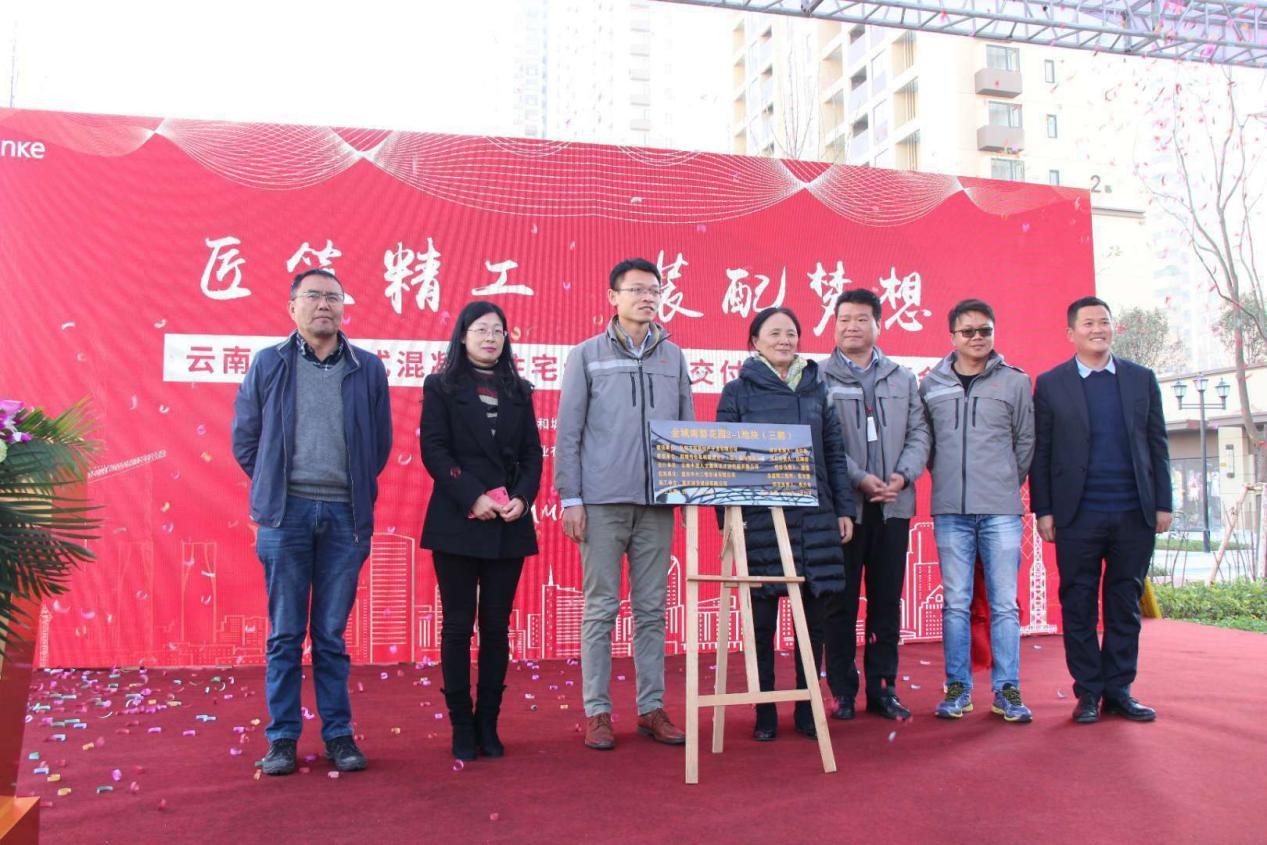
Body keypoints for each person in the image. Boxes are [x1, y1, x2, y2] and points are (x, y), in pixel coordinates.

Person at [231, 268, 392, 775]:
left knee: (330, 634)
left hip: (346, 514)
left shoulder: (367, 368)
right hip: (286, 515)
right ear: (292, 307)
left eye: (333, 297)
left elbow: (379, 444)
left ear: (343, 307)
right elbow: (245, 438)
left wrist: (347, 487)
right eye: (314, 296)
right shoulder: (269, 363)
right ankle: (281, 738)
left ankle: (338, 735)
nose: (325, 304)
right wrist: (274, 484)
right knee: (284, 634)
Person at [555, 257, 696, 751]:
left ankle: (651, 708)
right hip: (601, 502)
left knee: (652, 610)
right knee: (601, 609)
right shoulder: (587, 355)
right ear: (613, 297)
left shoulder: (673, 357)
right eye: (636, 289)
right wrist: (571, 497)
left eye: (653, 289)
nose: (647, 297)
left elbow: (685, 429)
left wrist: (686, 492)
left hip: (657, 504)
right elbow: (568, 431)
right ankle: (597, 712)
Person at [716, 306, 856, 741]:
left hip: (814, 518)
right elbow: (723, 460)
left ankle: (807, 706)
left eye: (791, 333)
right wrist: (728, 521)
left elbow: (834, 454)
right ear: (755, 341)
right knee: (760, 622)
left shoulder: (818, 389)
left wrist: (843, 509)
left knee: (813, 623)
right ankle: (764, 709)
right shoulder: (737, 391)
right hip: (759, 519)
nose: (784, 340)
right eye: (774, 333)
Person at [1031, 296, 1171, 724]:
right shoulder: (1051, 384)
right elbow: (1042, 452)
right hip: (1077, 514)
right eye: (1088, 323)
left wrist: (1163, 503)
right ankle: (1088, 692)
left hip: (1134, 512)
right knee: (1078, 603)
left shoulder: (1141, 379)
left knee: (1124, 603)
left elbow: (1158, 444)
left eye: (1104, 322)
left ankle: (1119, 690)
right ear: (1071, 333)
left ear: (1113, 328)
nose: (1098, 329)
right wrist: (1044, 510)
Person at [420, 302, 542, 760]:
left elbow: (532, 454)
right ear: (463, 335)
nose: (490, 337)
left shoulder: (519, 390)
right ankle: (461, 725)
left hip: (507, 521)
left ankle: (488, 723)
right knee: (457, 626)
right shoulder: (441, 386)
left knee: (496, 627)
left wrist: (522, 498)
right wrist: (472, 496)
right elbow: (434, 449)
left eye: (498, 331)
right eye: (481, 330)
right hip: (458, 518)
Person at [919, 298, 1035, 724]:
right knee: (956, 603)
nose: (977, 338)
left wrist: (1003, 480)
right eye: (967, 331)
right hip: (951, 511)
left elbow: (1025, 442)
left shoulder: (1015, 382)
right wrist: (951, 479)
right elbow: (927, 445)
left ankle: (1007, 689)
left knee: (1004, 604)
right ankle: (958, 688)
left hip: (1001, 510)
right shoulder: (931, 385)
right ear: (952, 336)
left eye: (985, 330)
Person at [820, 289, 930, 721]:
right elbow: (822, 440)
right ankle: (842, 691)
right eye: (844, 319)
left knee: (886, 603)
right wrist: (859, 479)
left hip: (893, 506)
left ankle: (884, 689)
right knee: (839, 604)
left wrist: (902, 476)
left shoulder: (902, 378)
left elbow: (920, 433)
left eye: (861, 319)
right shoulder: (818, 377)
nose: (852, 326)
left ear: (878, 325)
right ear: (834, 325)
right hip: (844, 511)